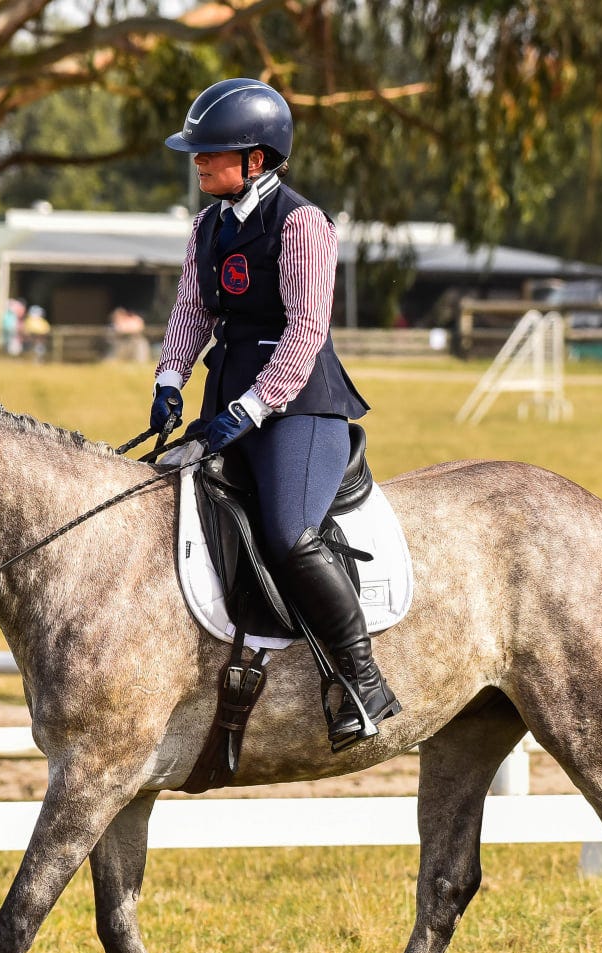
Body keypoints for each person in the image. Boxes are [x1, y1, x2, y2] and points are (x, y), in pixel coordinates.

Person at [149, 77, 399, 752]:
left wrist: (254, 407)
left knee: (290, 533)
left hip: (300, 407)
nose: (198, 161)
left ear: (256, 159)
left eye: (212, 151)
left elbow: (305, 330)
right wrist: (171, 377)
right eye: (195, 151)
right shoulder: (206, 225)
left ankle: (359, 678)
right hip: (226, 397)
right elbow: (191, 311)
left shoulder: (301, 224)